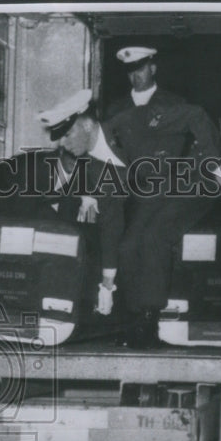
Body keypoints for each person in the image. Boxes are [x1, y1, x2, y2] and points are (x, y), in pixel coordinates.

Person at [105, 46, 221, 347]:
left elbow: (198, 144)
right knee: (127, 247)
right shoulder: (116, 110)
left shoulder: (175, 105)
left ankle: (150, 319)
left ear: (153, 68)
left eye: (141, 67)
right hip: (139, 192)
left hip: (177, 188)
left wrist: (213, 169)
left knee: (154, 238)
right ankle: (131, 317)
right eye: (130, 69)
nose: (135, 74)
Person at [39, 89, 128, 316]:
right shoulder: (83, 163)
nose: (65, 145)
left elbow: (112, 222)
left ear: (87, 125)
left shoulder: (123, 136)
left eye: (68, 135)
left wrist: (107, 285)